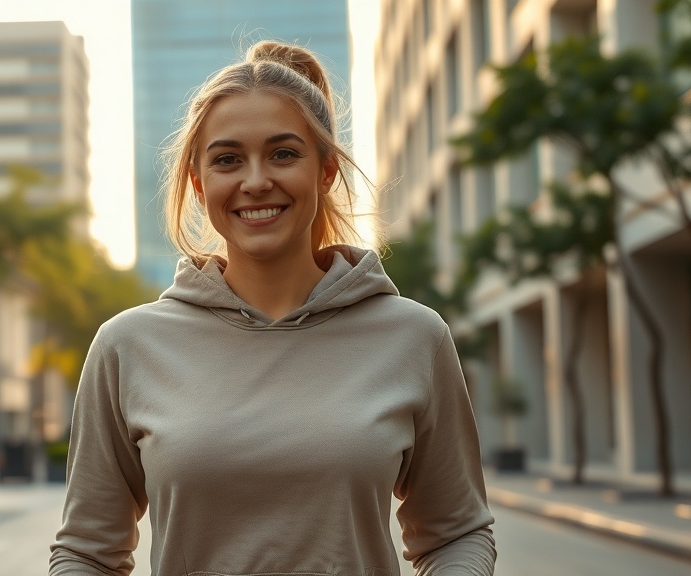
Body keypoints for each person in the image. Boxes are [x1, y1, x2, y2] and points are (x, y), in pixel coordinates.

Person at [50, 40, 496, 576]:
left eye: (283, 153)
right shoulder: (127, 346)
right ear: (199, 181)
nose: (255, 180)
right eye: (228, 160)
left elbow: (457, 533)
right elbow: (86, 552)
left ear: (326, 170)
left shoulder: (413, 337)